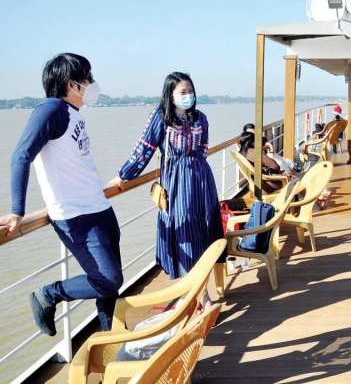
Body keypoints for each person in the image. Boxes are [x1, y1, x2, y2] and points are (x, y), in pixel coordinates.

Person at [0, 53, 123, 336]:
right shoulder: (50, 110)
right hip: (75, 217)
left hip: (100, 209)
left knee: (110, 289)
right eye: (87, 78)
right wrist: (17, 210)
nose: (92, 83)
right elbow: (21, 156)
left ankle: (112, 344)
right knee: (108, 280)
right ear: (71, 84)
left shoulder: (73, 113)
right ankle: (48, 294)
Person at [108, 72, 224, 280]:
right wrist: (124, 175)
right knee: (184, 229)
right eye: (182, 92)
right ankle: (193, 288)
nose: (188, 95)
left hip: (202, 179)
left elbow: (203, 149)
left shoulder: (200, 118)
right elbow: (144, 148)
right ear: (170, 95)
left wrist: (194, 168)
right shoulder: (161, 117)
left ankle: (202, 287)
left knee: (205, 226)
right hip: (177, 182)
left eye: (190, 91)